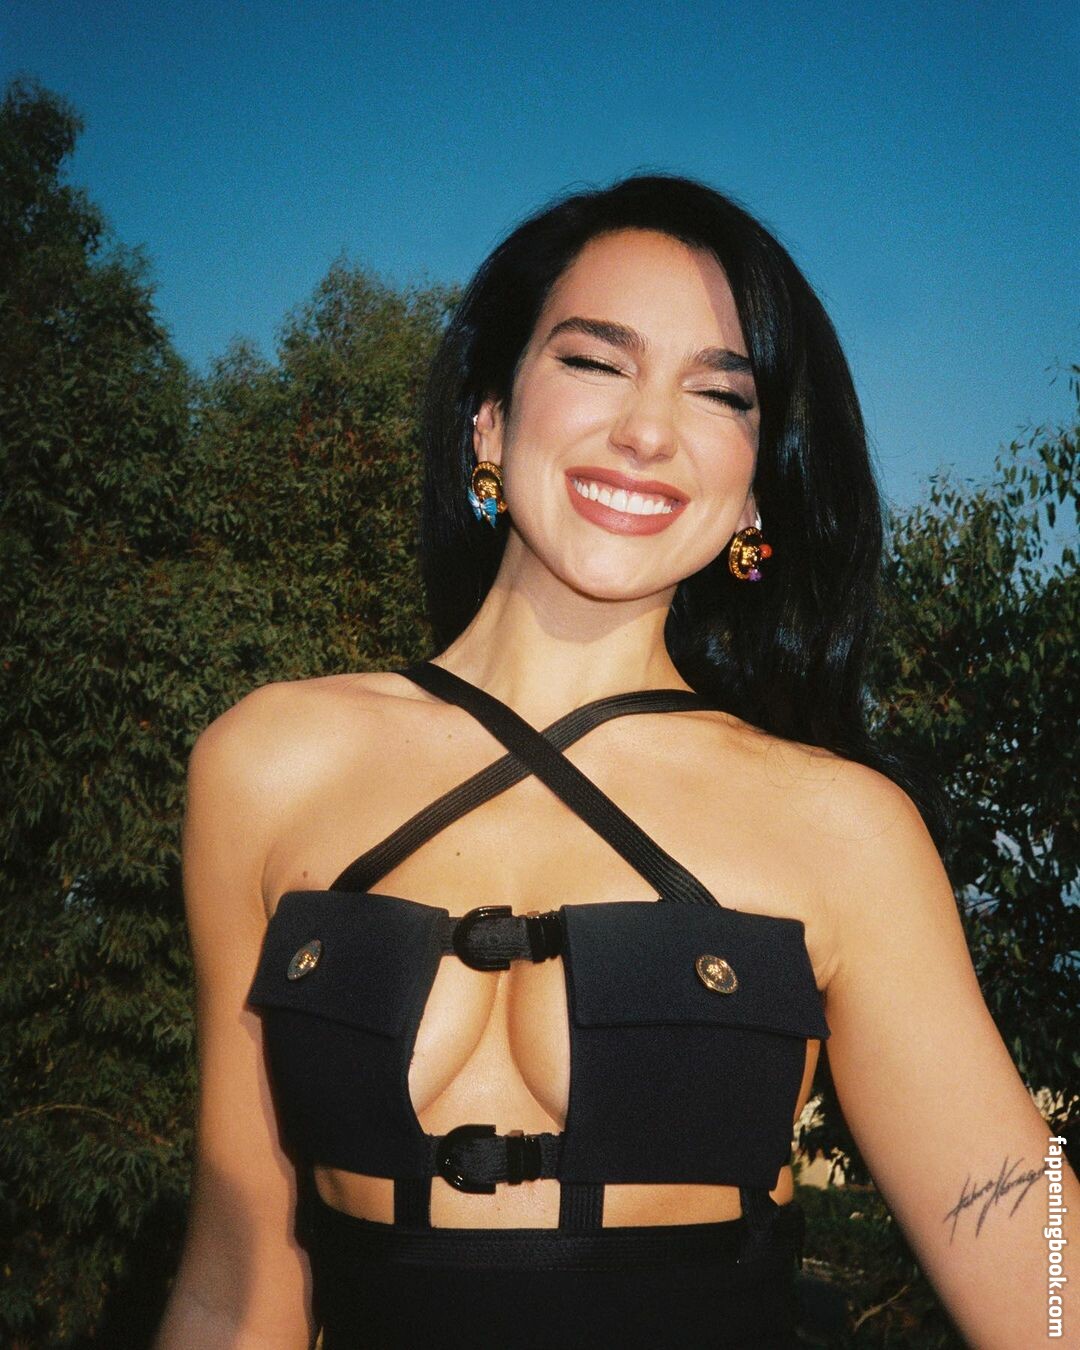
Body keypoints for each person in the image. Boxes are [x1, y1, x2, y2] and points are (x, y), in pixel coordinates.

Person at [157, 175, 1078, 1349]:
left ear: (754, 489)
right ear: (490, 419)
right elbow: (235, 1285)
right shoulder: (266, 764)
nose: (648, 430)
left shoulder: (843, 828)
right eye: (597, 362)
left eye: (720, 393)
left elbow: (1037, 1254)